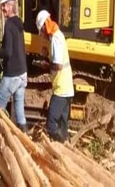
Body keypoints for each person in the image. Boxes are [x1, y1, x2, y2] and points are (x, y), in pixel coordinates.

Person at [0, 0, 28, 132]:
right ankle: (25, 139)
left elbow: (8, 52)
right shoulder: (19, 22)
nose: (2, 8)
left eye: (4, 5)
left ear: (11, 5)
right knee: (20, 112)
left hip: (12, 75)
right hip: (23, 74)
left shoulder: (9, 25)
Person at [36, 10, 74, 142]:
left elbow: (57, 66)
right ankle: (64, 147)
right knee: (63, 125)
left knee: (51, 125)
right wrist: (47, 57)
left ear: (45, 26)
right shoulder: (58, 36)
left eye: (41, 31)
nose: (42, 35)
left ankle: (59, 145)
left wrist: (45, 65)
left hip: (61, 90)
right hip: (67, 89)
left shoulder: (55, 39)